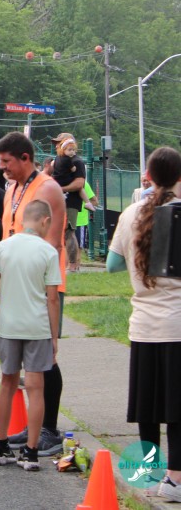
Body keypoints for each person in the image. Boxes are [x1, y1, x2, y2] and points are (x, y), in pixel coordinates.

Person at [107, 146, 181, 502]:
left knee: (147, 407)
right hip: (177, 324)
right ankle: (176, 479)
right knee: (177, 408)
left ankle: (149, 474)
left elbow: (112, 265)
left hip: (143, 325)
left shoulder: (131, 213)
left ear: (148, 175)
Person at [0, 131, 68, 456]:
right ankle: (33, 430)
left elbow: (51, 244)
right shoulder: (12, 188)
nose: (3, 168)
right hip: (15, 283)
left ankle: (49, 428)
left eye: (7, 162)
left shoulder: (48, 188)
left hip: (41, 285)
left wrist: (37, 286)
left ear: (25, 158)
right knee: (22, 362)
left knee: (45, 357)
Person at [0, 199, 62, 472]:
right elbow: (52, 299)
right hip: (37, 328)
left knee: (7, 383)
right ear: (44, 221)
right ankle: (30, 451)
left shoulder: (4, 247)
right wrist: (54, 337)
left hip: (9, 325)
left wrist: (5, 299)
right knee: (35, 387)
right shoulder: (48, 252)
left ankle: (1, 444)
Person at [52, 137, 86, 275]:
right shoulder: (59, 160)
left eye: (58, 143)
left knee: (69, 231)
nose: (56, 146)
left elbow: (79, 184)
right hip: (57, 201)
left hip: (70, 202)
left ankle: (73, 266)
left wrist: (61, 189)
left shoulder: (77, 162)